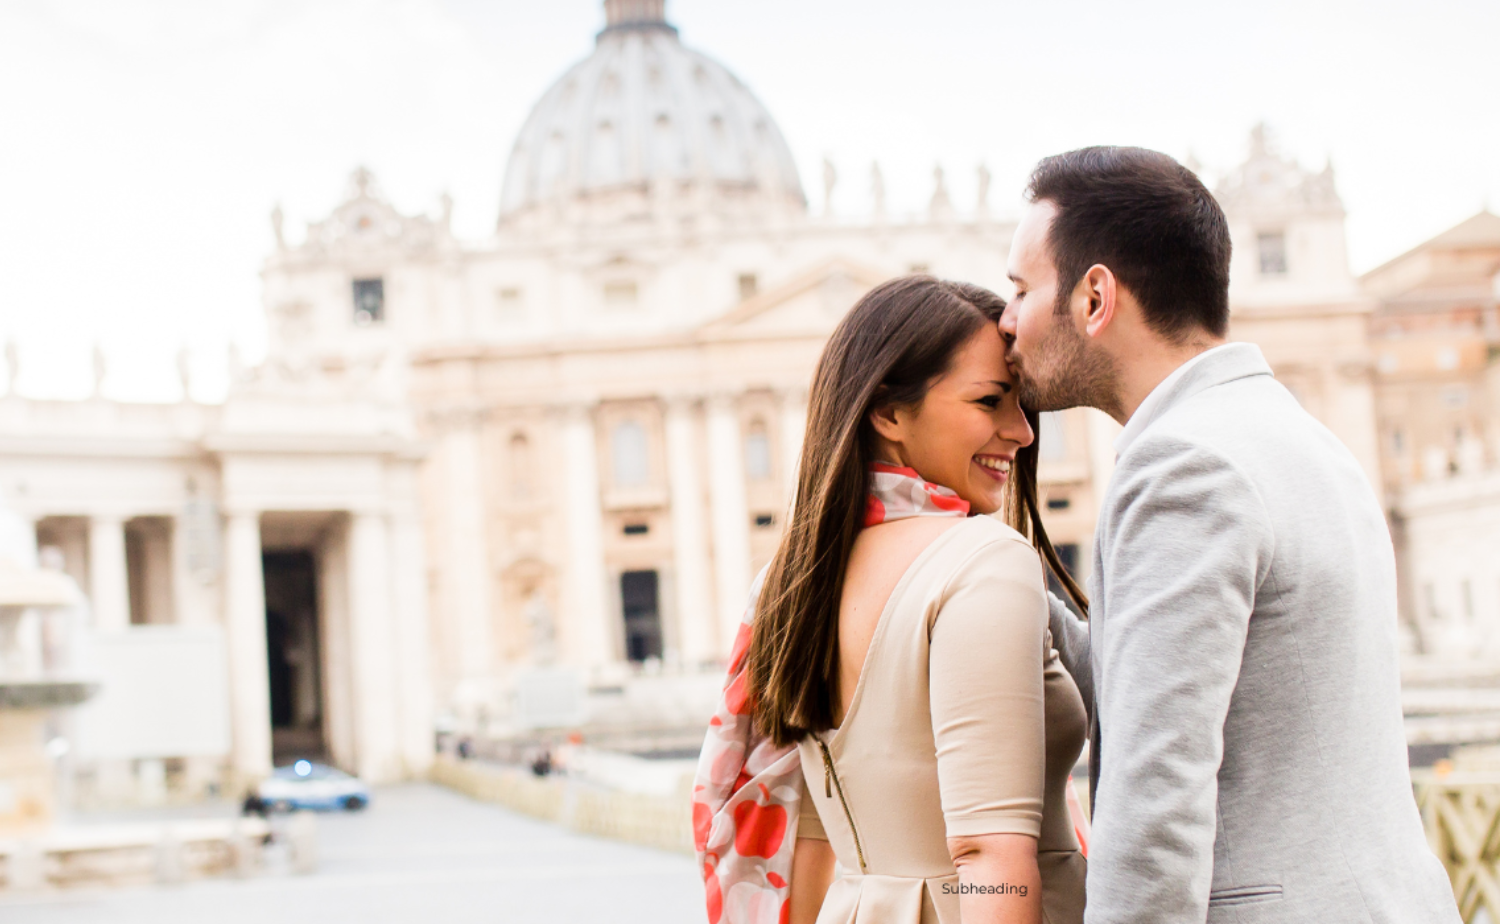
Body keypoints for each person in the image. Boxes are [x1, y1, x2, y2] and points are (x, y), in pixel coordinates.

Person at [999, 146, 1460, 923]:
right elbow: (1154, 679)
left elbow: (1154, 808)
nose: (1006, 319)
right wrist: (998, 566)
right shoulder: (1297, 437)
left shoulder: (1186, 465)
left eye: (1020, 290)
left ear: (1095, 297)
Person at [692, 276, 1090, 924]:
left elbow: (810, 843)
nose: (1020, 433)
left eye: (1022, 405)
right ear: (889, 412)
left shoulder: (788, 584)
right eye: (991, 401)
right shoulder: (982, 562)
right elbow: (988, 855)